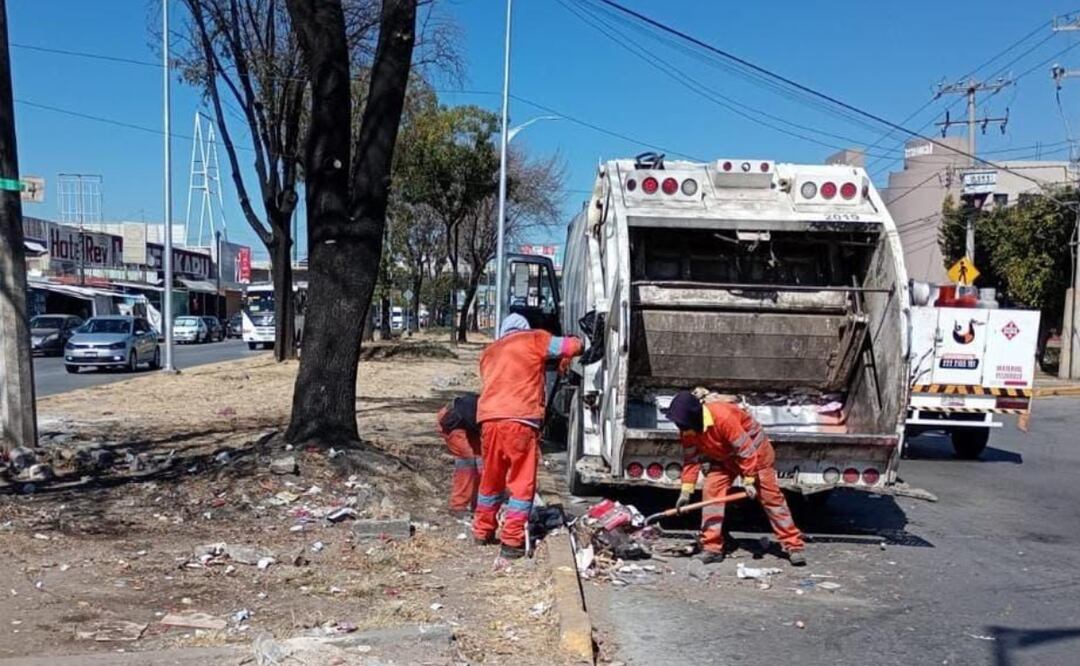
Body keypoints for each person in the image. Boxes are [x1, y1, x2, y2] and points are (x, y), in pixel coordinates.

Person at [473, 313, 584, 559]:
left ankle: (482, 531)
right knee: (521, 482)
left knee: (490, 480)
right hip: (520, 420)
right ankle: (511, 541)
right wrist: (580, 342)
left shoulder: (489, 352)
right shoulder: (533, 339)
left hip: (489, 420)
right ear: (524, 328)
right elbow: (569, 346)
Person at [666, 390, 806, 566]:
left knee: (772, 499)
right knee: (712, 493)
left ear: (695, 416)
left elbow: (746, 451)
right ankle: (712, 548)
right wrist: (686, 491)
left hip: (756, 455)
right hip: (725, 458)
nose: (680, 428)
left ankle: (793, 545)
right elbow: (691, 460)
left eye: (682, 423)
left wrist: (748, 480)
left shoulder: (723, 418)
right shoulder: (688, 429)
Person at [435, 393, 482, 518]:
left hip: (469, 424)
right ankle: (458, 506)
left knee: (481, 461)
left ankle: (479, 503)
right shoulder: (493, 408)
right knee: (467, 462)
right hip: (453, 423)